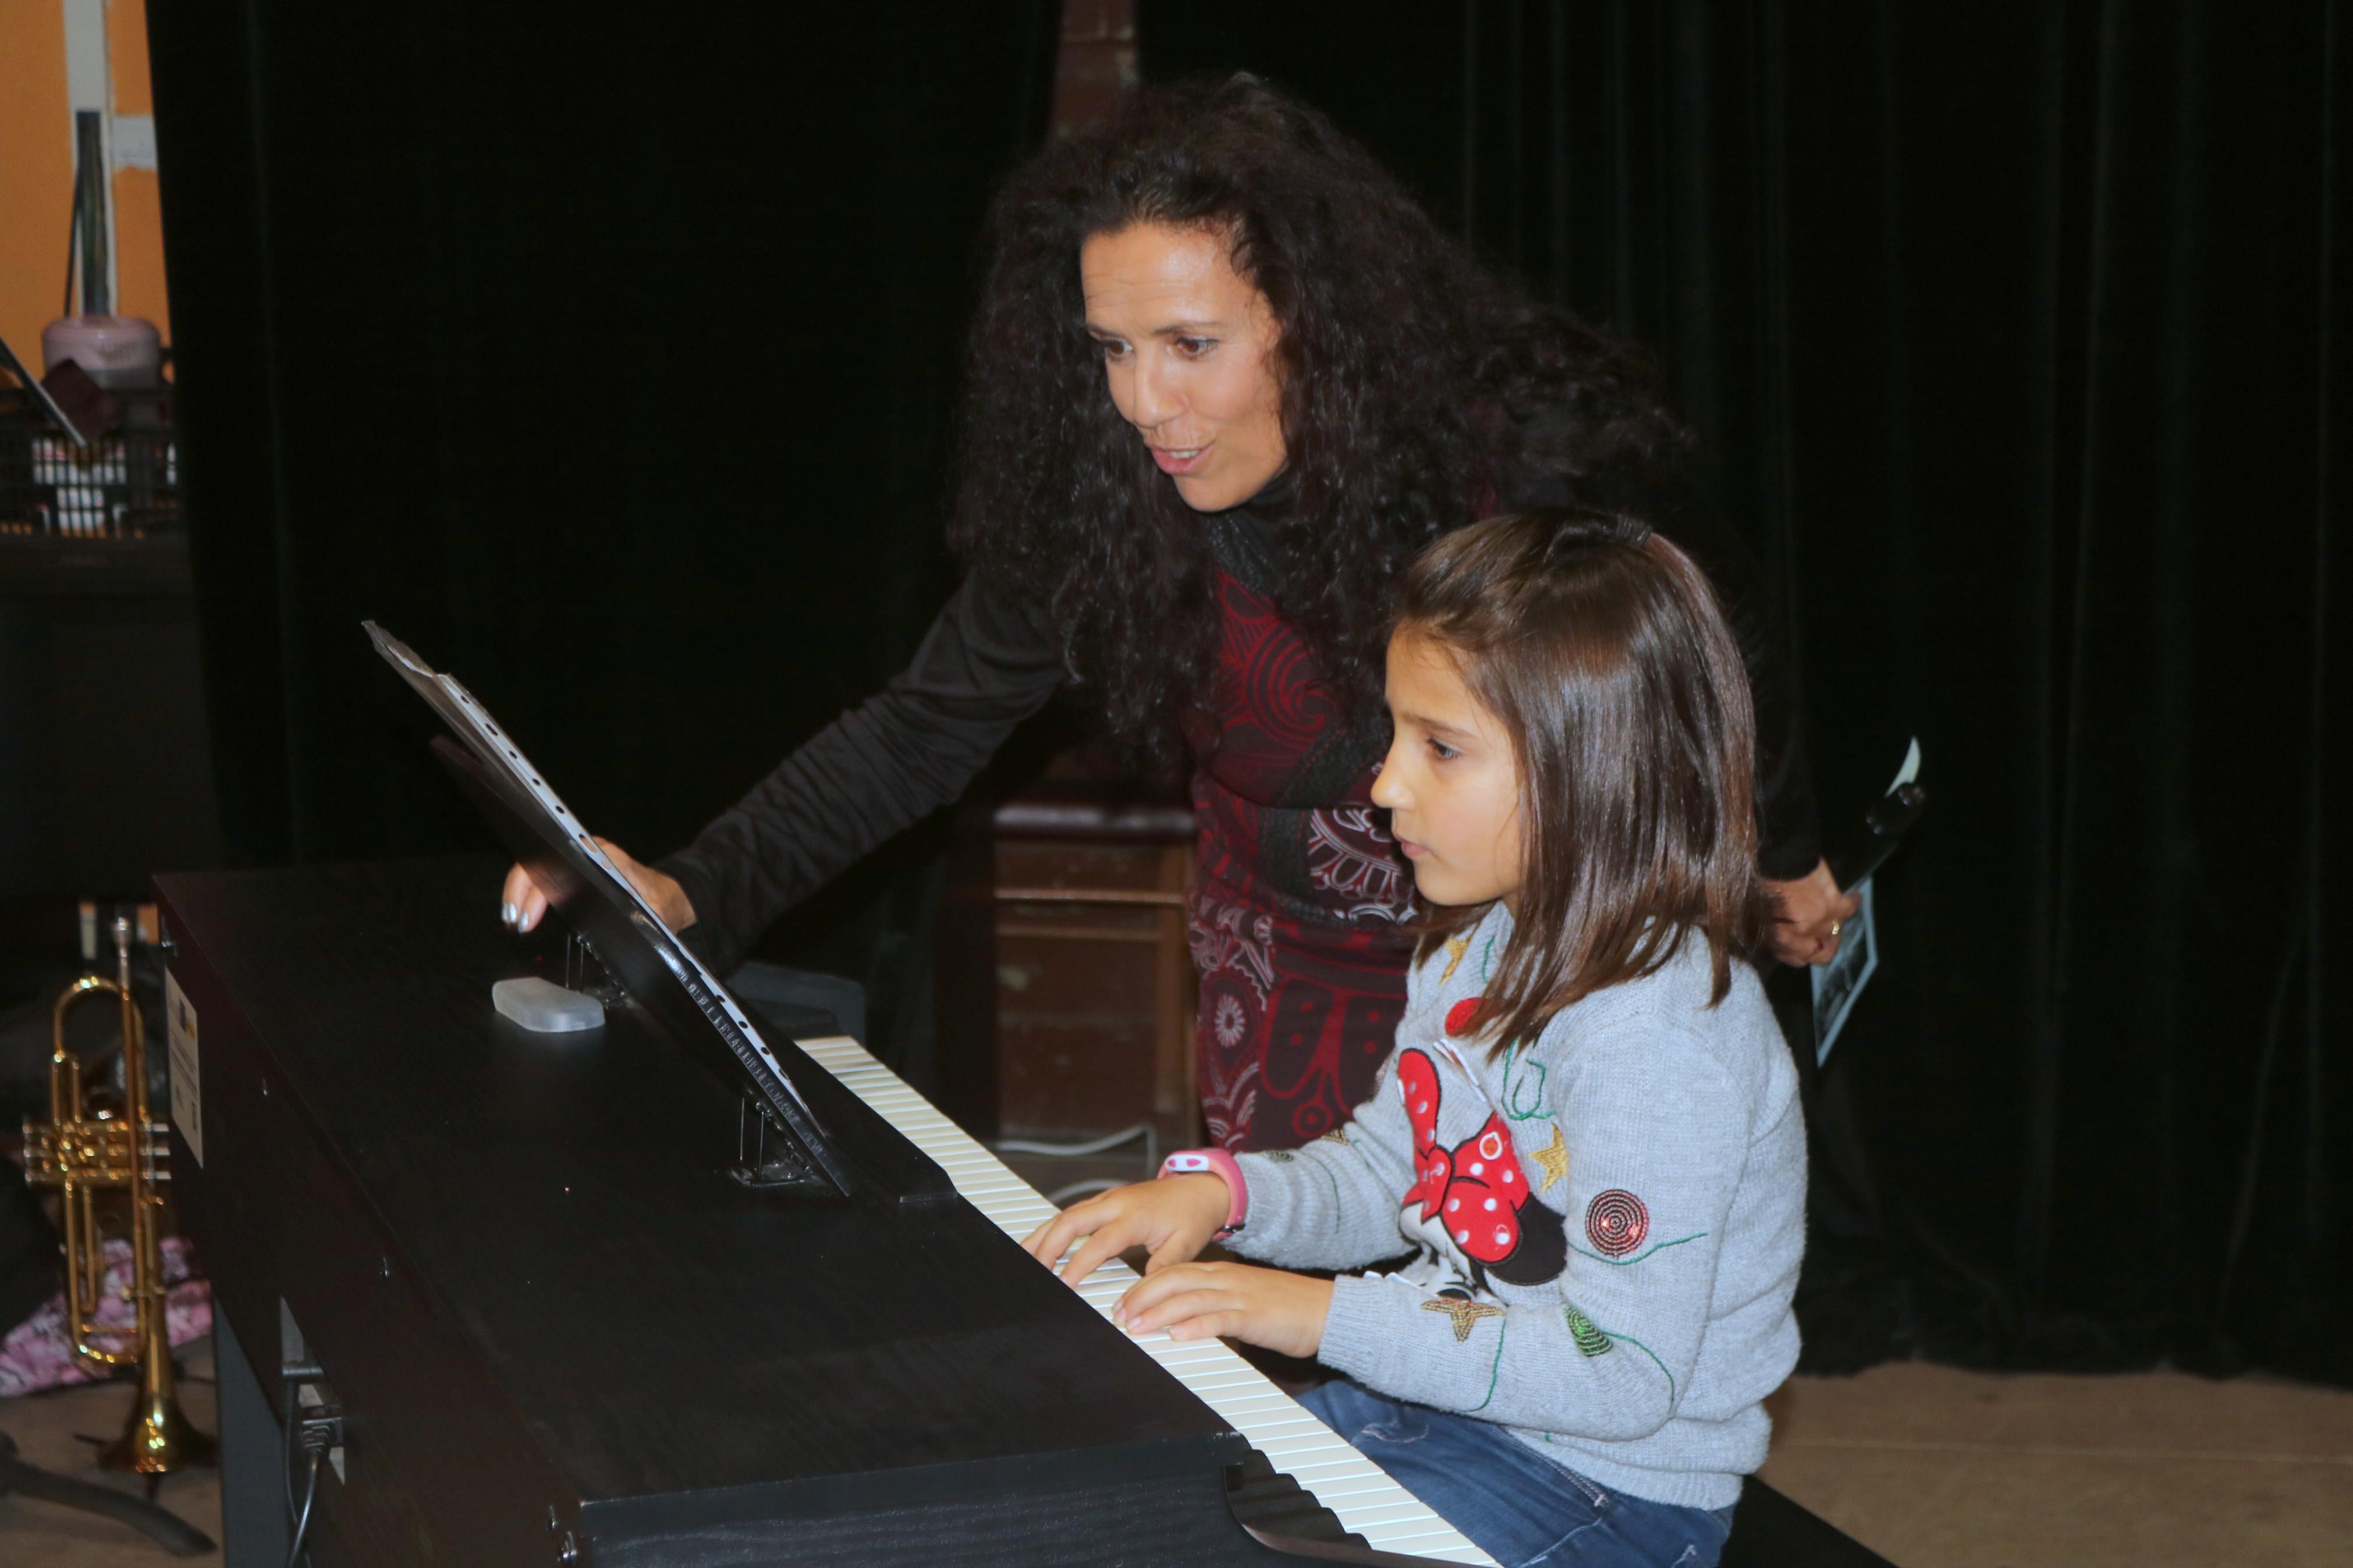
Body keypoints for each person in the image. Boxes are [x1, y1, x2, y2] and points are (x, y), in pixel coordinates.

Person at [500, 75, 1854, 1151]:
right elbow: (921, 728)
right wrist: (696, 881)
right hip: (1280, 1038)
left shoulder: (1524, 461)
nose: (1145, 402)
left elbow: (1720, 630)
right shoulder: (1110, 504)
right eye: (1112, 351)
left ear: (1314, 323)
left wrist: (1782, 851)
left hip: (1523, 1021)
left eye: (1191, 346)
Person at [1021, 511, 1804, 1568]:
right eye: (1394, 735)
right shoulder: (1475, 947)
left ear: (1595, 769)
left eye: (1440, 748)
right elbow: (1393, 1169)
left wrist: (1314, 1317)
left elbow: (1619, 1371)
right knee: (1112, 1508)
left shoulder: (1658, 1034)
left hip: (1604, 1496)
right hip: (1432, 1414)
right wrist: (1225, 1197)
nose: (1385, 786)